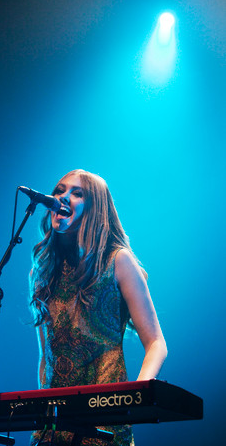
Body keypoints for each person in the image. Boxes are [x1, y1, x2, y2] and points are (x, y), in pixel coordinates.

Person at [29, 169, 167, 446]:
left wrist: (136, 394)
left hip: (105, 415)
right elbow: (47, 356)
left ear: (96, 208)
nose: (62, 198)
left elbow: (156, 342)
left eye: (77, 193)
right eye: (59, 190)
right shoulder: (42, 270)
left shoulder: (118, 261)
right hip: (55, 419)